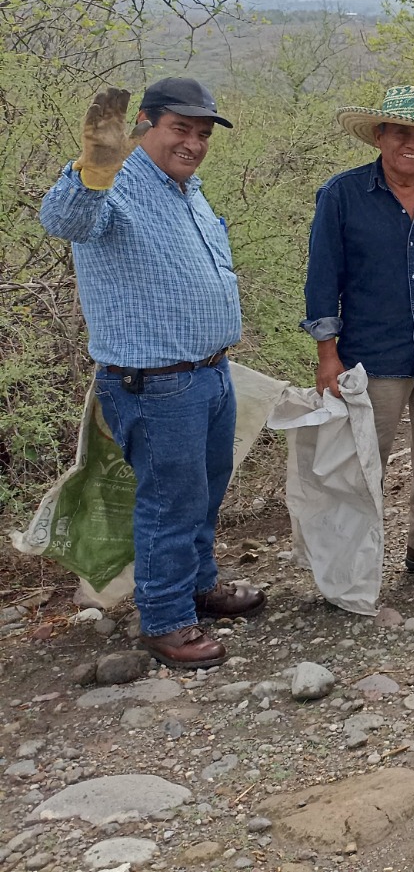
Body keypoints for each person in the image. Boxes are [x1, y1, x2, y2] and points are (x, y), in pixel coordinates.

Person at [40, 79, 263, 670]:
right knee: (170, 502)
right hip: (156, 382)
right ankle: (164, 619)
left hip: (209, 373)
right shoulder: (115, 185)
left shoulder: (187, 190)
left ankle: (197, 586)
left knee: (204, 493)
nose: (192, 143)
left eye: (202, 133)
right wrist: (91, 168)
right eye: (180, 129)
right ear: (144, 125)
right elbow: (64, 220)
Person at [303, 85, 414, 578]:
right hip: (372, 356)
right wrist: (327, 353)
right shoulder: (341, 195)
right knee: (363, 463)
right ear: (379, 136)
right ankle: (352, 565)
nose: (413, 144)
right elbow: (323, 277)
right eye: (401, 132)